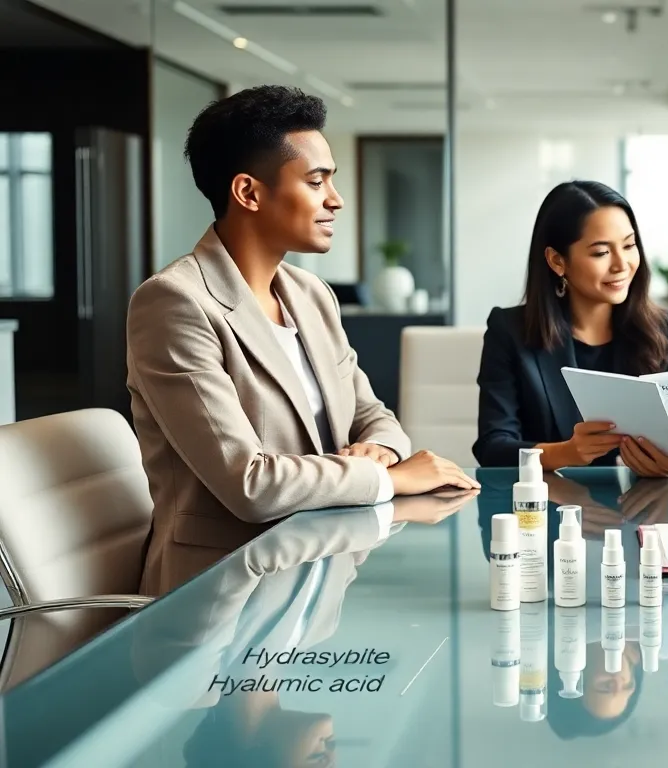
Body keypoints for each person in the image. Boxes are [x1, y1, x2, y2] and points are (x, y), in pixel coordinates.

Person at [126, 85, 476, 596]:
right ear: (248, 192)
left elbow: (374, 415)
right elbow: (250, 484)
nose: (335, 200)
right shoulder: (175, 304)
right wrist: (388, 478)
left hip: (316, 573)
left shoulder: (310, 294)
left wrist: (380, 448)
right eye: (316, 181)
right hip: (218, 595)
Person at [472, 180, 668, 478]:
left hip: (645, 512)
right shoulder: (510, 331)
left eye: (629, 245)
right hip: (548, 512)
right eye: (601, 253)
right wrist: (565, 452)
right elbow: (492, 447)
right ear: (557, 261)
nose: (622, 264)